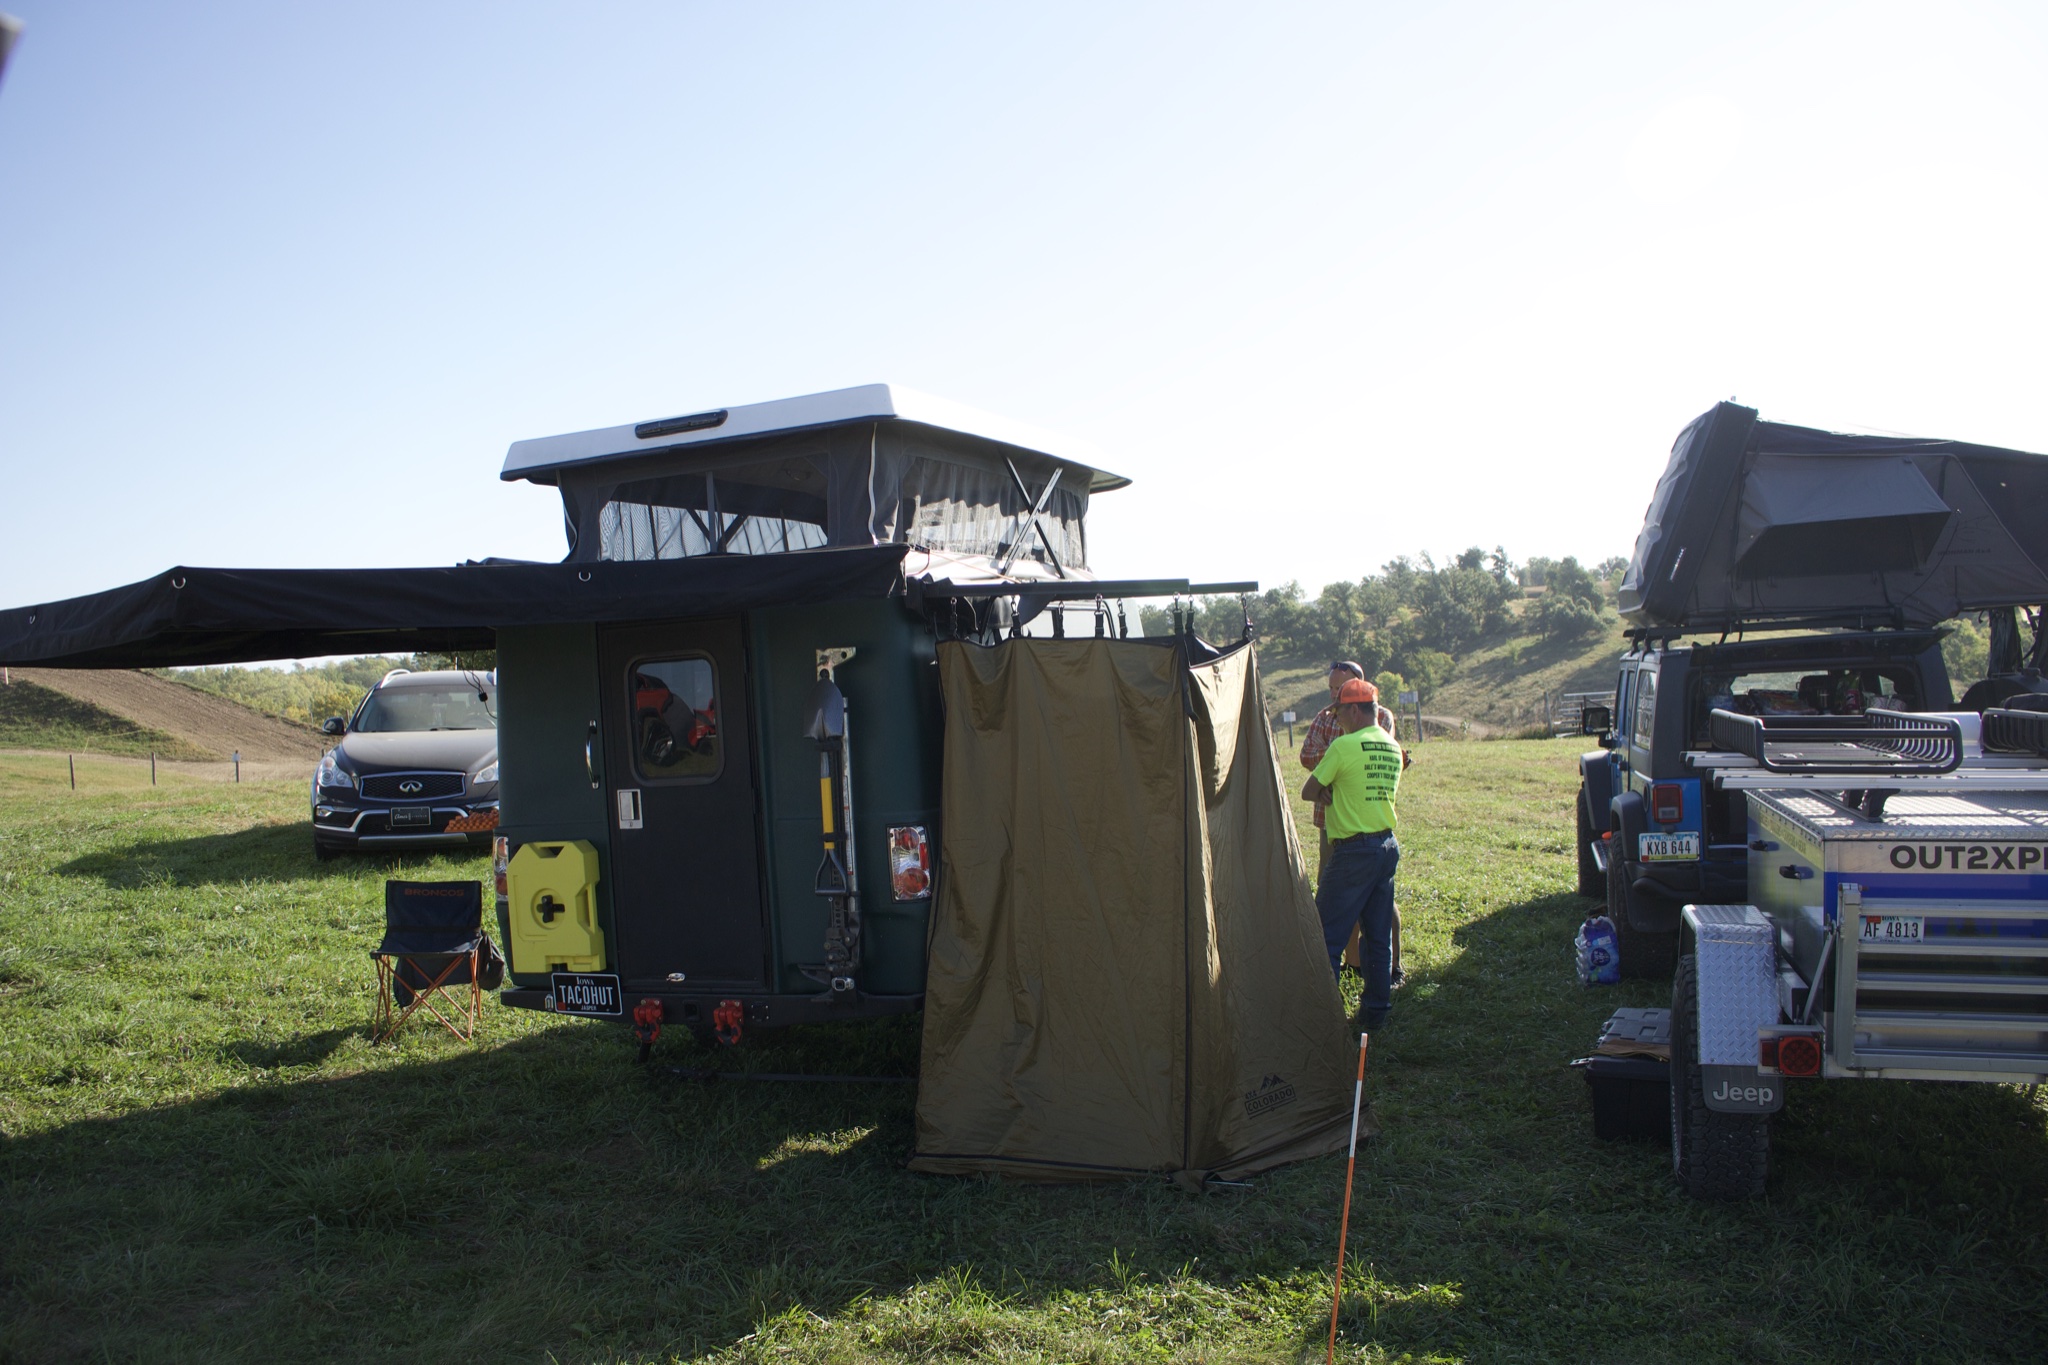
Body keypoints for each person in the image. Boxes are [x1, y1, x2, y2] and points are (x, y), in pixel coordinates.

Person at [1301, 677, 1403, 1030]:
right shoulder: (1392, 746)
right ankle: (1375, 1015)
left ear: (1355, 710)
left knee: (1326, 936)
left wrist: (1324, 791)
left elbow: (1308, 789)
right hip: (1386, 847)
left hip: (1352, 852)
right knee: (1377, 937)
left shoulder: (1344, 746)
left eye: (1339, 712)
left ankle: (1322, 1021)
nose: (1337, 719)